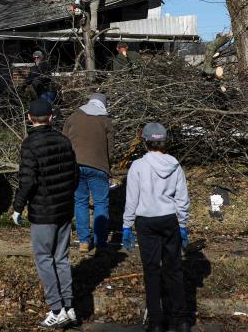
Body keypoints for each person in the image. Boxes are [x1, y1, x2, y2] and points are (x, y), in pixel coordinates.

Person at [11, 98, 79, 328]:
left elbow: (27, 181)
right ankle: (69, 307)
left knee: (44, 259)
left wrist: (18, 206)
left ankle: (57, 308)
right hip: (64, 208)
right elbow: (74, 175)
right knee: (61, 258)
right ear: (51, 117)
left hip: (43, 211)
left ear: (30, 118)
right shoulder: (64, 140)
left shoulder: (30, 144)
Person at [122, 122, 191, 332]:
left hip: (146, 221)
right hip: (169, 219)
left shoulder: (138, 166)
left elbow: (131, 199)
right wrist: (183, 223)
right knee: (174, 270)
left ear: (145, 141)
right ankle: (181, 320)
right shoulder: (174, 164)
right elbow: (182, 198)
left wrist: (126, 225)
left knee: (151, 271)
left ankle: (156, 322)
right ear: (164, 142)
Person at [62, 92, 114, 253]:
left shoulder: (73, 117)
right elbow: (110, 150)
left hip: (75, 166)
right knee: (101, 203)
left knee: (80, 202)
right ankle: (100, 242)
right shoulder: (106, 121)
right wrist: (108, 165)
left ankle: (84, 241)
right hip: (99, 167)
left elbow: (64, 142)